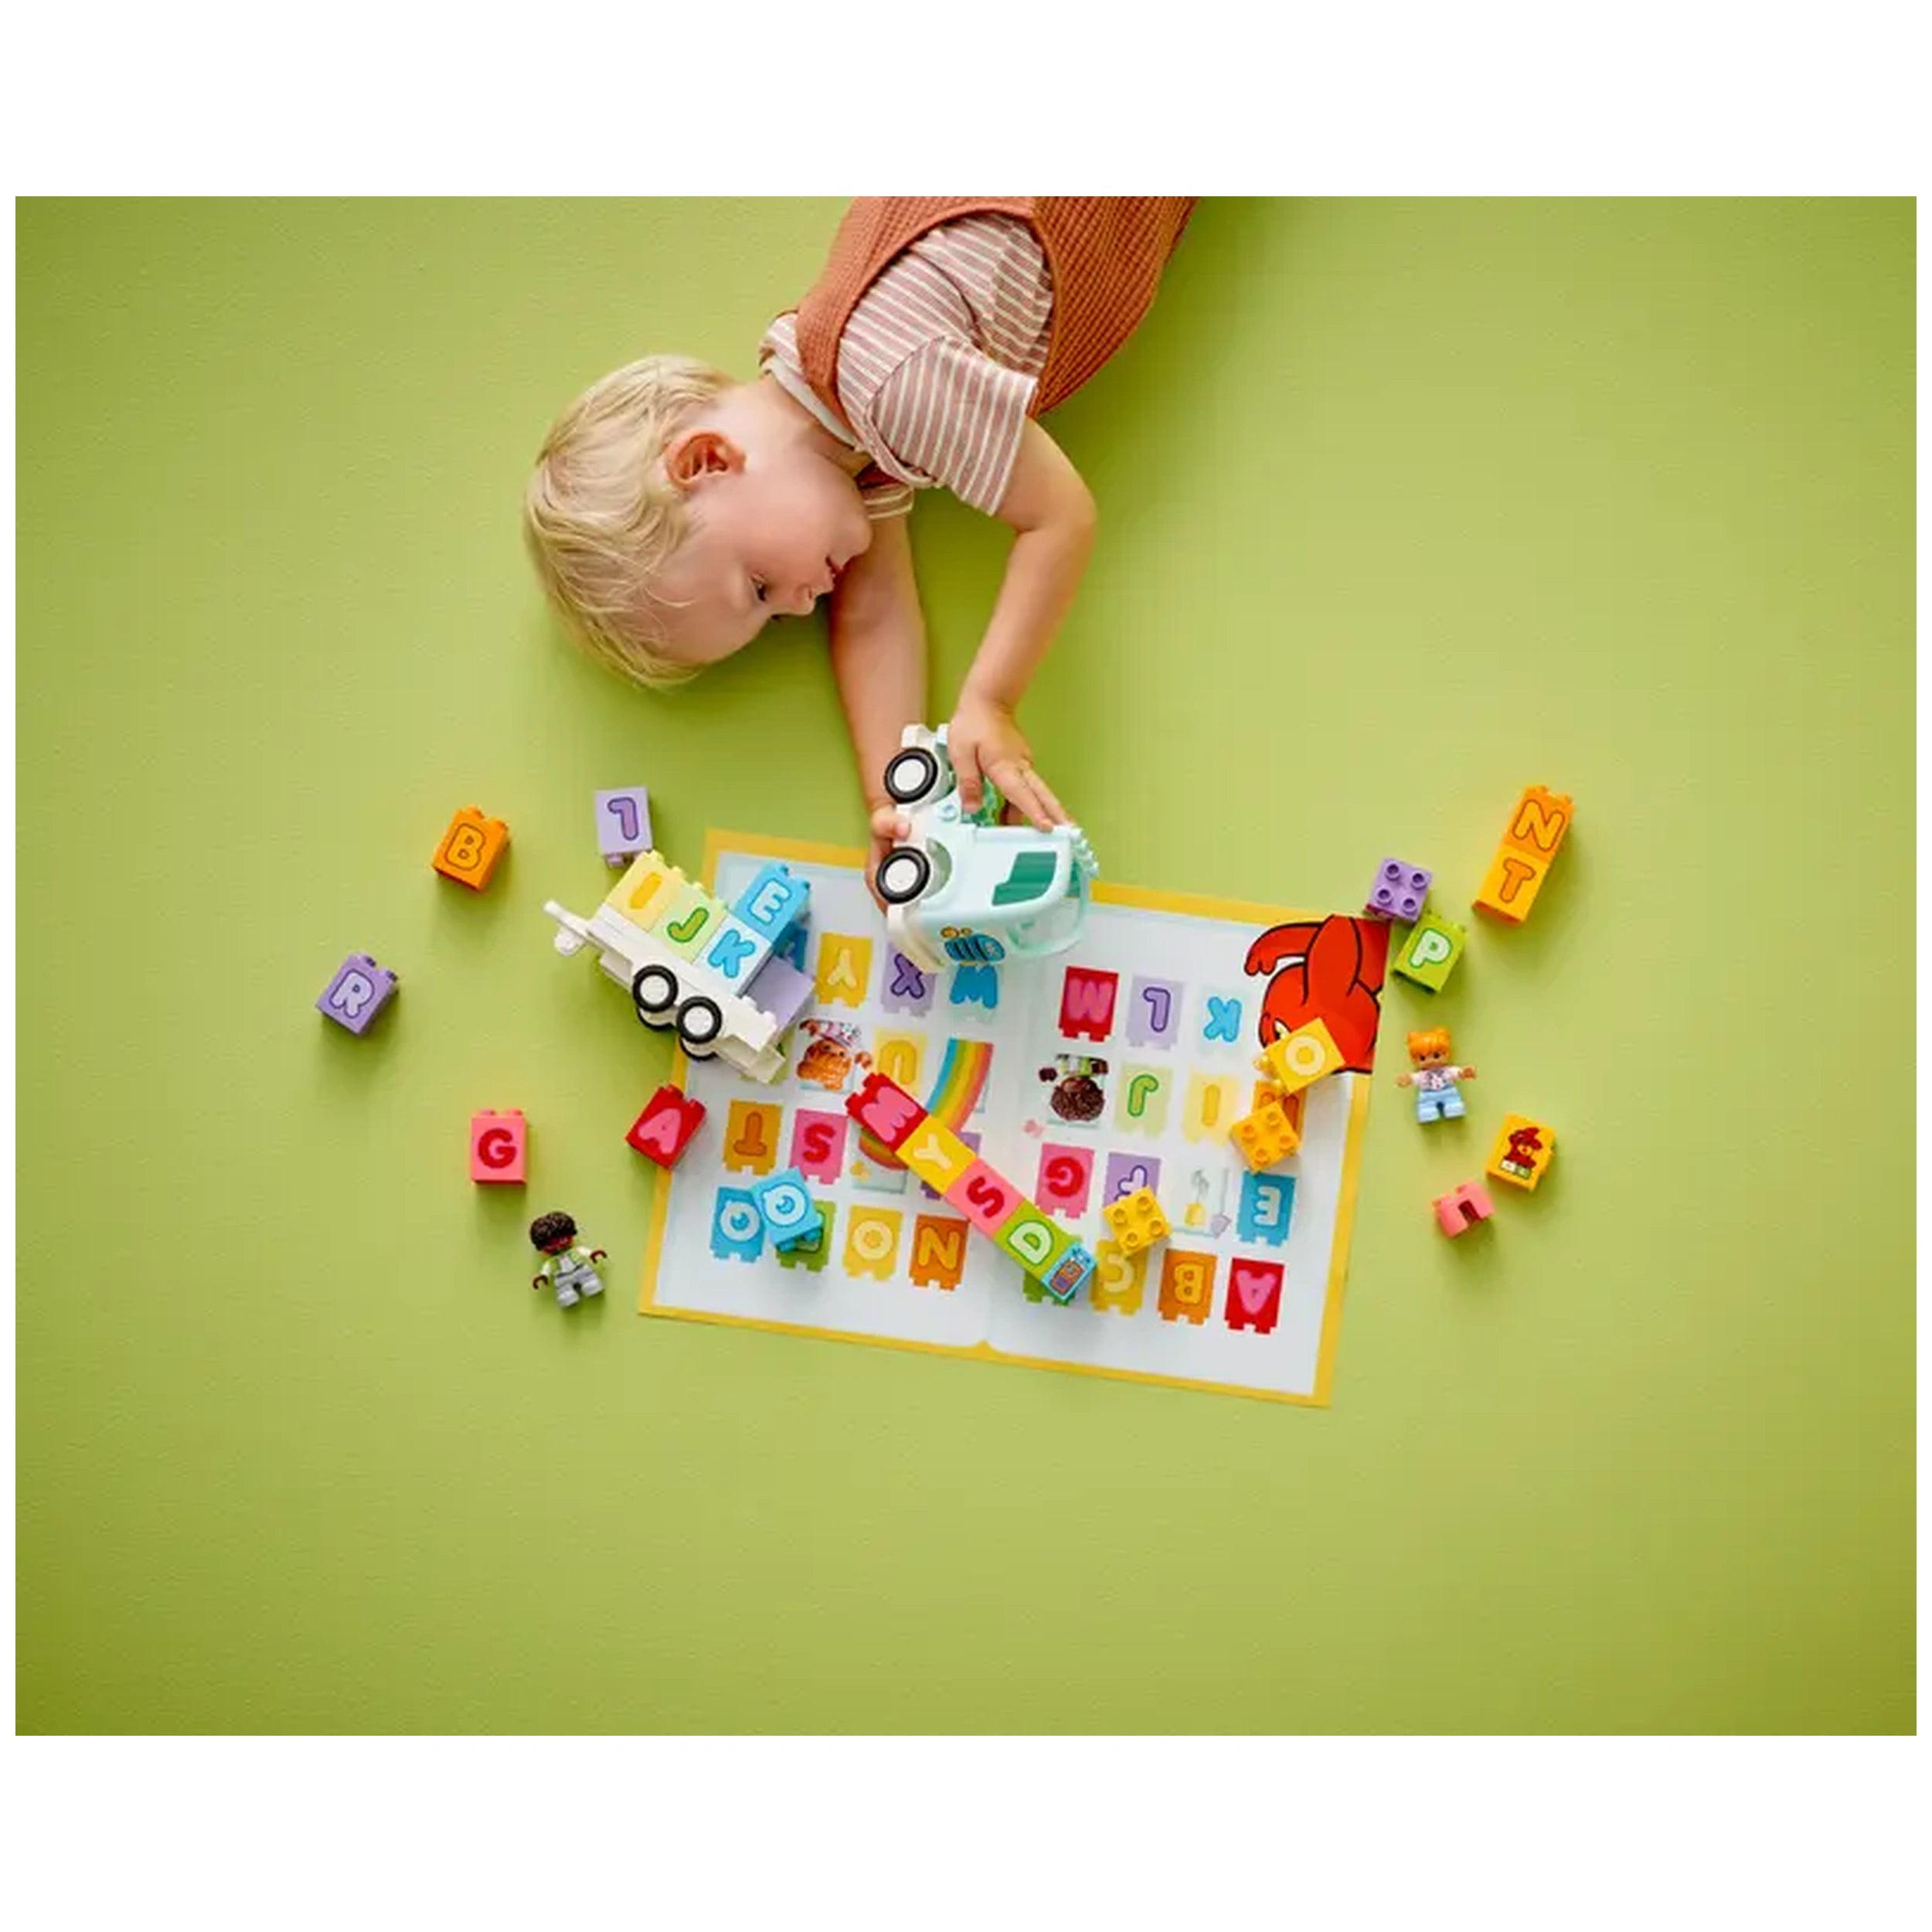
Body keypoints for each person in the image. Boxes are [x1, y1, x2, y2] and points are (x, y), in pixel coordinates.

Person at [525, 198, 1196, 888]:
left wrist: (991, 701)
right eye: (772, 618)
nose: (798, 604)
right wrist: (896, 804)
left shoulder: (888, 388)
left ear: (707, 461)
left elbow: (1059, 517)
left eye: (758, 587)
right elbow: (872, 610)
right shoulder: (841, 432)